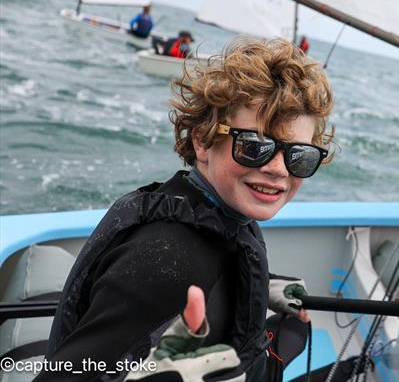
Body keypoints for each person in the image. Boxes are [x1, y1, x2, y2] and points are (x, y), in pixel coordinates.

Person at [39, 38, 334, 381]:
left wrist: (258, 284)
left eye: (300, 156)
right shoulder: (166, 266)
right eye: (254, 147)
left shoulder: (211, 209)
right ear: (203, 141)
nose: (280, 170)